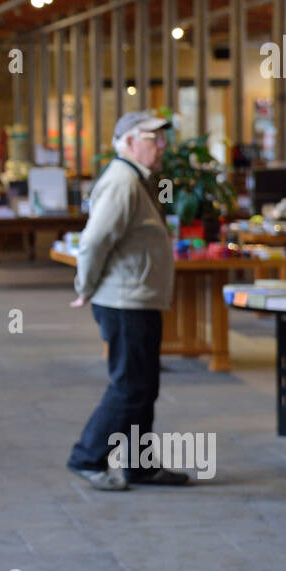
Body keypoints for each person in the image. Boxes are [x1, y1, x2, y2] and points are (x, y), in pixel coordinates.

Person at [66, 110, 187, 491]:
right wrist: (84, 287)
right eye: (154, 138)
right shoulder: (122, 181)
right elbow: (94, 241)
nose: (162, 146)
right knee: (129, 386)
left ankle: (140, 465)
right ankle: (87, 458)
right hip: (124, 301)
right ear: (129, 141)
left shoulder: (137, 179)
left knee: (144, 386)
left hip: (139, 299)